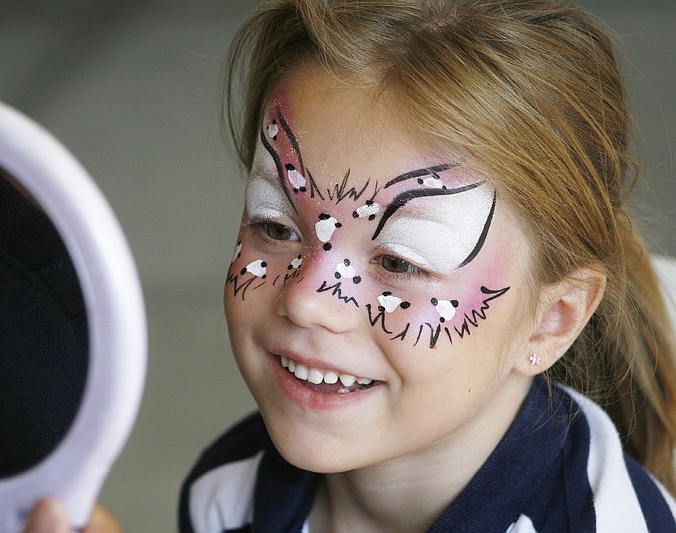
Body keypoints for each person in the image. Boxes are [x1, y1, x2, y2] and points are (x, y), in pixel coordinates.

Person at [179, 0, 676, 531]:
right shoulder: (227, 498)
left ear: (551, 318)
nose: (306, 300)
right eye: (276, 227)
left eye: (399, 261)